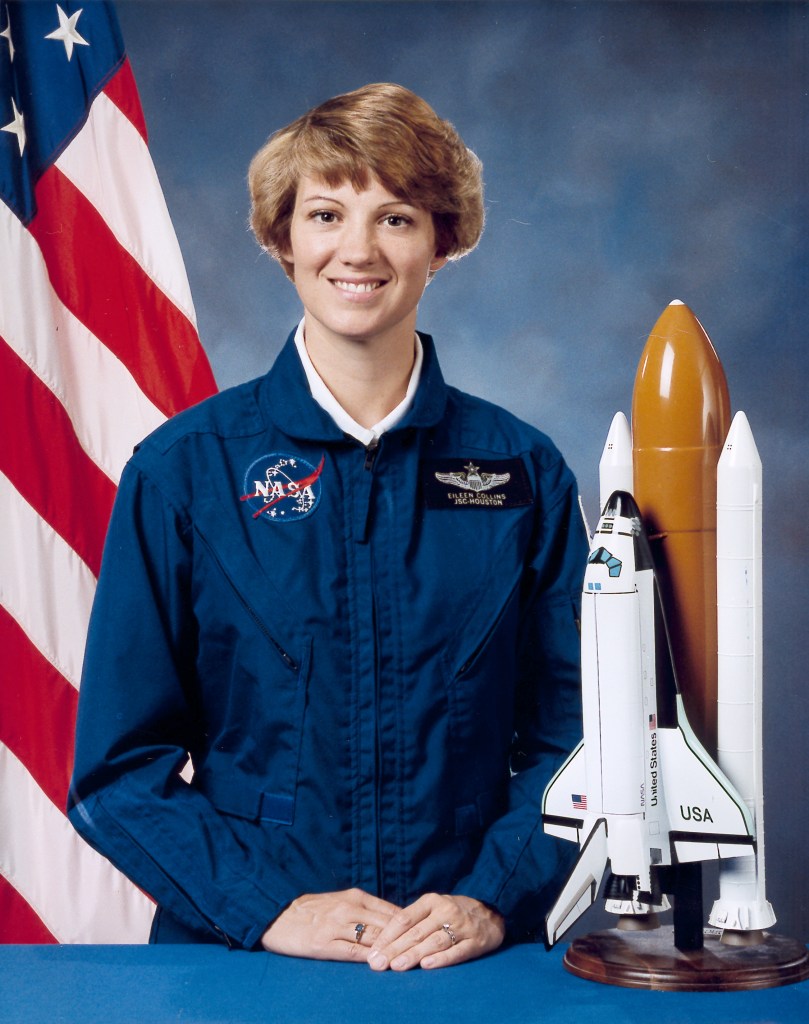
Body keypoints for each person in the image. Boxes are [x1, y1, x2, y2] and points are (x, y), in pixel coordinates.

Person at [67, 83, 587, 971]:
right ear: (281, 240)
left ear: (442, 242)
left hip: (463, 960)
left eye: (395, 219)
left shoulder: (521, 473)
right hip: (244, 959)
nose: (357, 249)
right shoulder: (185, 471)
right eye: (324, 214)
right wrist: (270, 908)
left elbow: (580, 742)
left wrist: (493, 899)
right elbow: (119, 771)